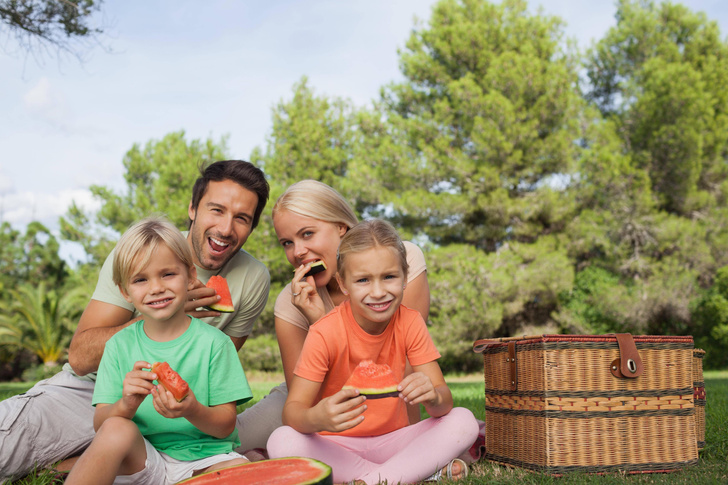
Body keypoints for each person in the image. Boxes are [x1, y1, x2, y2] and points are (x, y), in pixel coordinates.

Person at [0, 160, 272, 482]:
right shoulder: (135, 253)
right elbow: (80, 358)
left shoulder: (253, 279)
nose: (226, 229)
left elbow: (216, 392)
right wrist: (168, 312)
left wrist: (188, 408)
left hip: (180, 420)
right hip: (90, 389)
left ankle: (75, 460)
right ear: (193, 209)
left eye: (242, 218)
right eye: (216, 210)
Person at [266, 219, 479, 484]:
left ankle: (371, 480)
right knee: (281, 440)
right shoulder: (324, 330)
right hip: (336, 446)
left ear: (404, 276)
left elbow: (444, 402)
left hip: (396, 441)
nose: (378, 292)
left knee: (463, 420)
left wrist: (434, 397)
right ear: (343, 284)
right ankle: (407, 474)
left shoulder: (410, 322)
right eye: (363, 280)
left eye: (389, 277)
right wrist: (315, 417)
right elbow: (292, 411)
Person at [65, 216, 252, 485]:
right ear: (124, 291)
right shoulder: (118, 346)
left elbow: (225, 426)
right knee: (117, 427)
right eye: (140, 279)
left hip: (205, 460)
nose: (156, 288)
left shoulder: (215, 344)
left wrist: (192, 409)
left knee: (240, 470)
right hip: (143, 459)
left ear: (189, 276)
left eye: (167, 274)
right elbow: (101, 425)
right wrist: (126, 403)